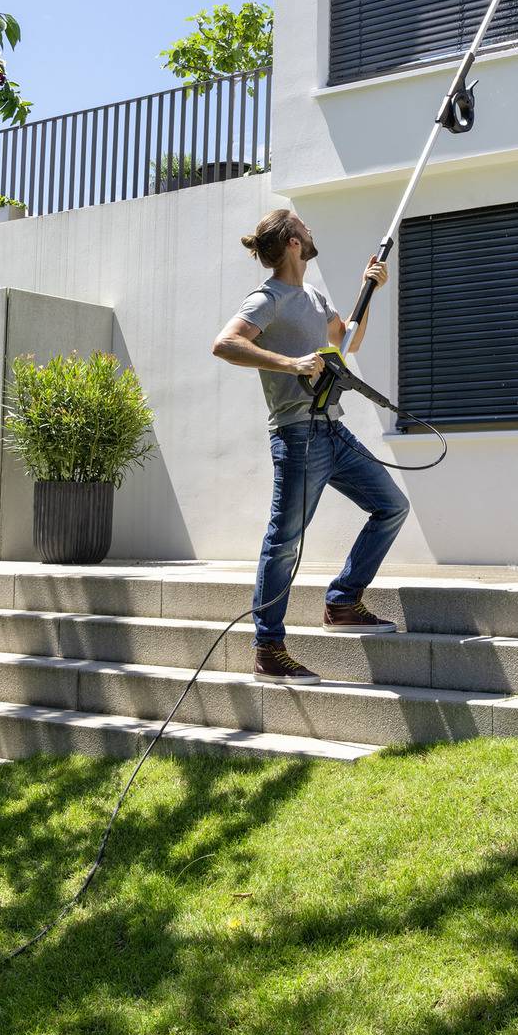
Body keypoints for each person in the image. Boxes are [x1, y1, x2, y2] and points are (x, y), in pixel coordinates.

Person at [212, 209, 410, 682]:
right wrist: (292, 363)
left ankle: (343, 602)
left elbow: (349, 344)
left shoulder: (315, 297)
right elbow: (225, 344)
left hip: (333, 431)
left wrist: (372, 291)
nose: (312, 229)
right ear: (293, 242)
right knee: (284, 542)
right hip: (297, 436)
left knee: (392, 506)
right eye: (304, 226)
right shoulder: (269, 298)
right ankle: (268, 648)